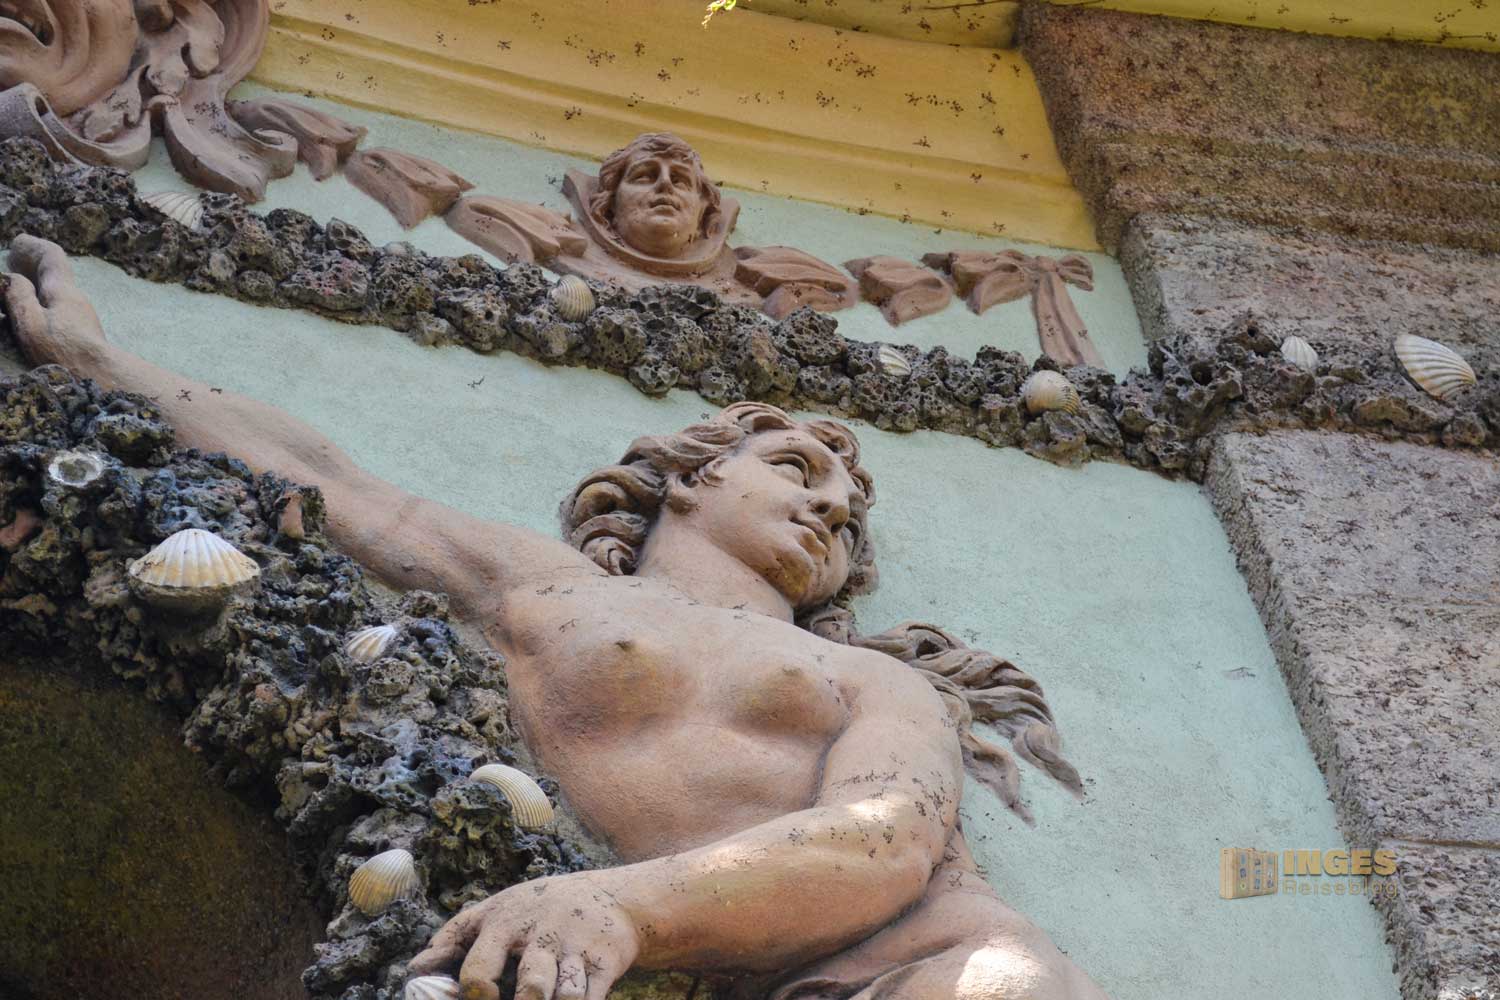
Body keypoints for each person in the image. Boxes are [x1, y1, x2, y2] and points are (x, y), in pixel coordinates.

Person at [4, 234, 1109, 1000]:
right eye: (793, 468)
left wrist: (624, 908)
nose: (829, 506)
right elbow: (334, 484)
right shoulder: (545, 587)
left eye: (847, 514)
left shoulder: (876, 681)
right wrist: (102, 362)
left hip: (944, 968)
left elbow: (886, 839)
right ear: (690, 476)